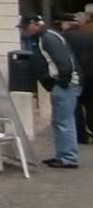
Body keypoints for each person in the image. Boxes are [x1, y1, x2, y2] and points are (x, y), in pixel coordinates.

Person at [33, 14, 81, 167]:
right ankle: (63, 155)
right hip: (67, 83)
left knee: (64, 121)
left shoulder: (48, 38)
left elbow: (63, 62)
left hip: (65, 84)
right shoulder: (50, 36)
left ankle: (68, 158)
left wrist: (61, 82)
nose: (23, 31)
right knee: (61, 121)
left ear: (33, 24)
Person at [65, 12, 93, 146]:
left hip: (75, 75)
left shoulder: (65, 37)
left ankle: (81, 135)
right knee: (91, 104)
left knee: (75, 107)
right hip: (91, 75)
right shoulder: (89, 35)